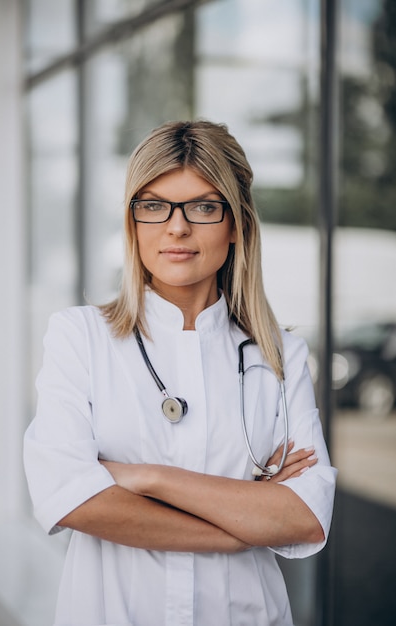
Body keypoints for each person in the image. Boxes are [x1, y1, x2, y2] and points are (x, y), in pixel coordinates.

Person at [24, 120, 337, 626]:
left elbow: (300, 517)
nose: (176, 227)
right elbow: (71, 501)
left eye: (204, 206)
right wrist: (248, 519)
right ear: (133, 222)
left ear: (236, 224)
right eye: (153, 205)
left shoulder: (280, 356)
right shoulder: (80, 337)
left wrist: (146, 477)